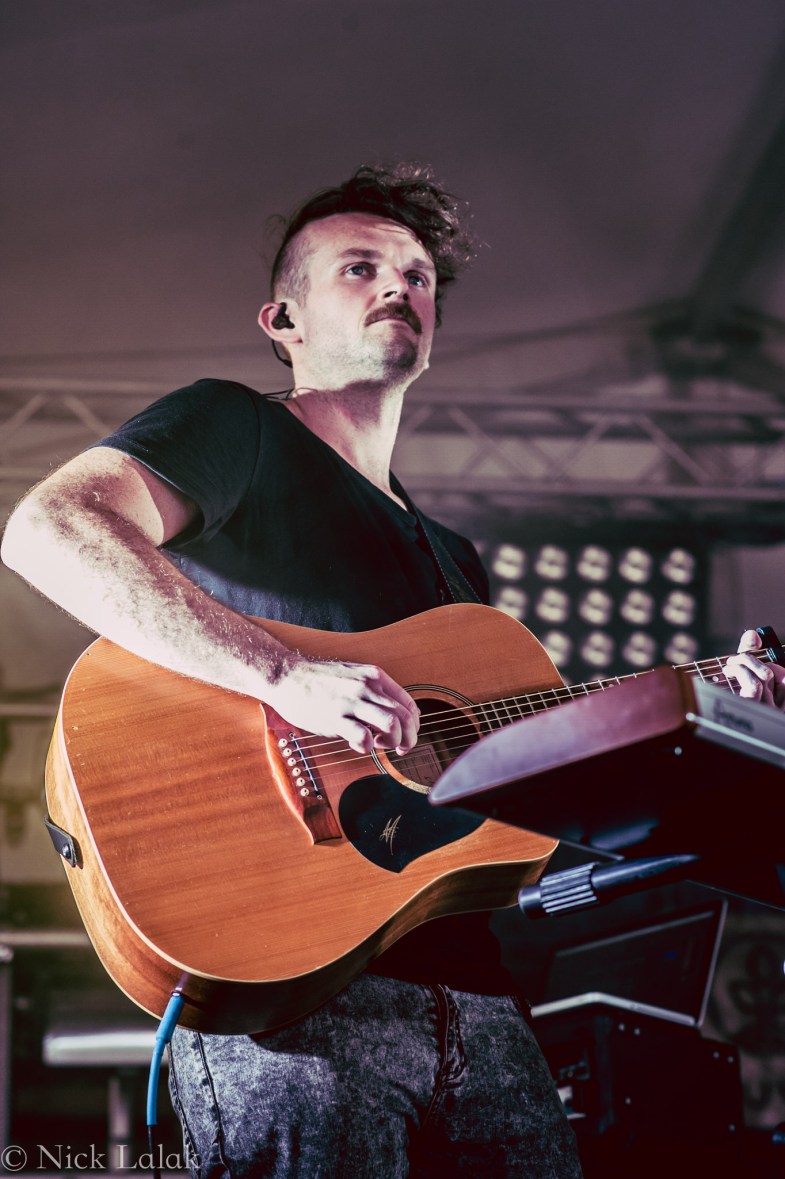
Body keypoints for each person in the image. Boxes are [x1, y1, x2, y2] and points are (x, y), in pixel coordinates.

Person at [2, 163, 783, 1178]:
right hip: (289, 994)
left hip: (480, 999)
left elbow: (509, 787)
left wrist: (709, 704)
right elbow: (49, 527)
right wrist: (283, 675)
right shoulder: (235, 428)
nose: (398, 288)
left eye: (417, 277)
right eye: (359, 268)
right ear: (282, 319)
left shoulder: (456, 562)